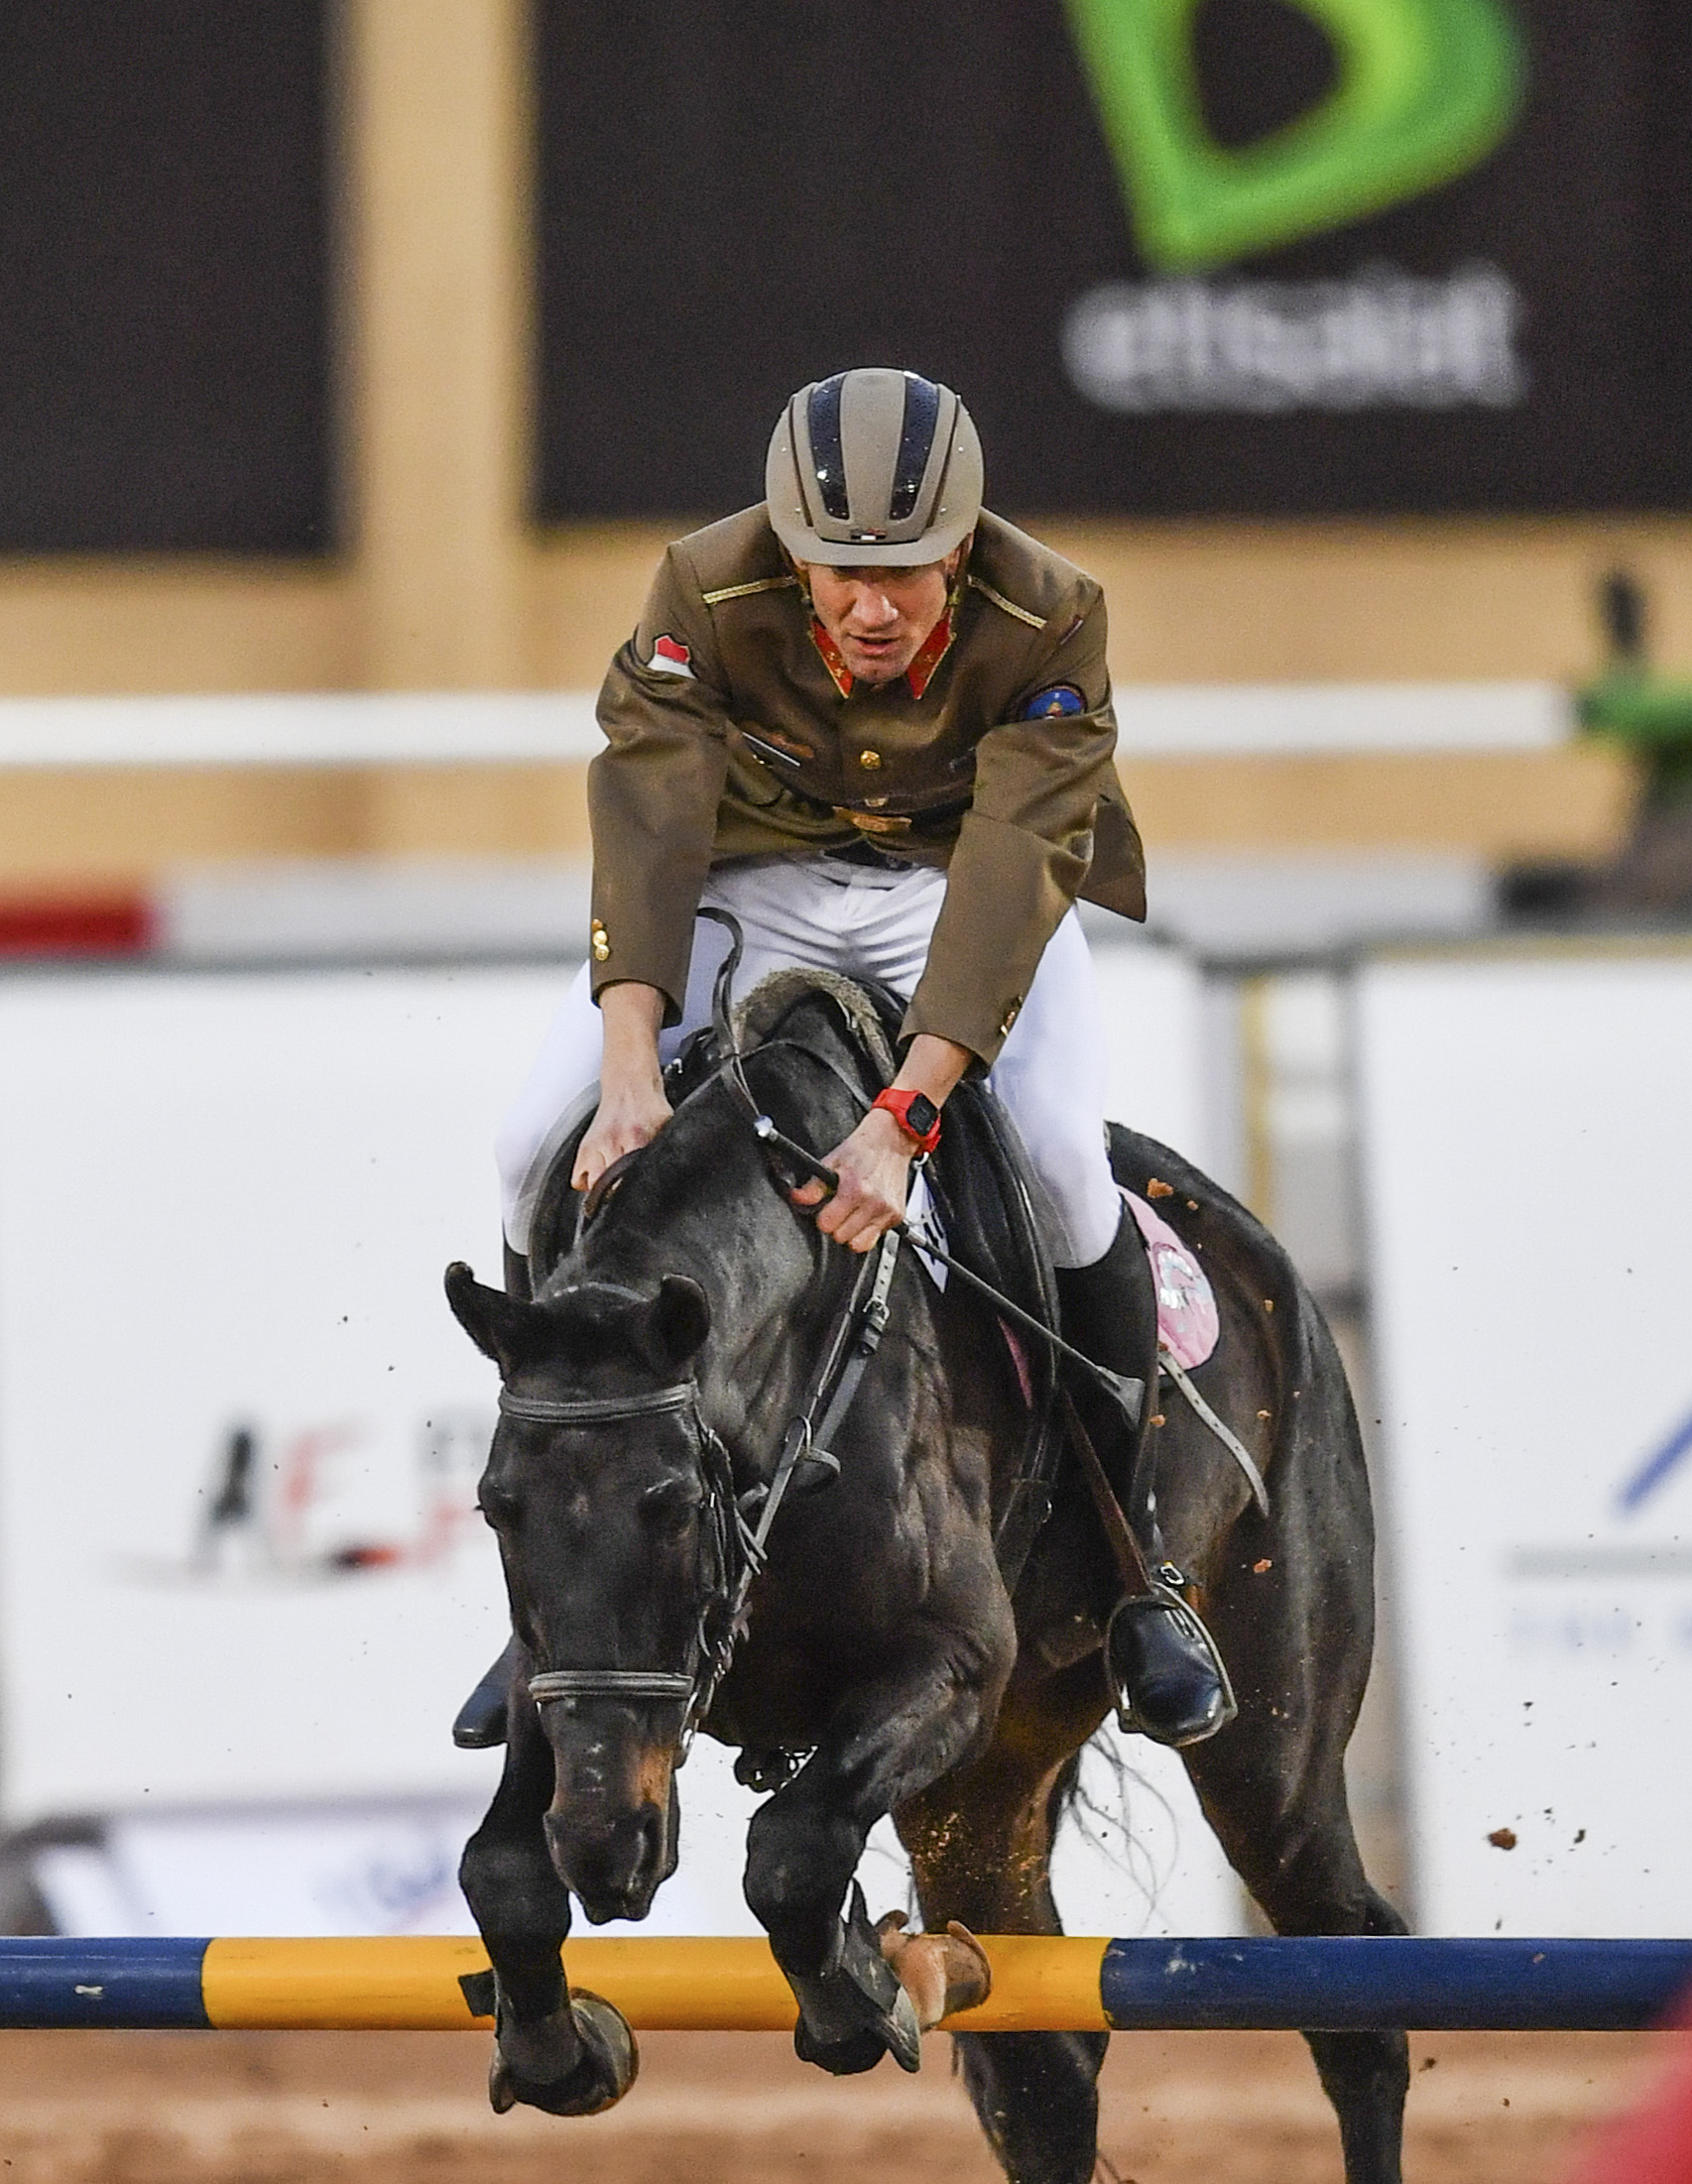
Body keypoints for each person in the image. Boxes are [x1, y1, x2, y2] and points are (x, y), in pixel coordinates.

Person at [456, 366, 1228, 1751]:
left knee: (1060, 1167)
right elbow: (648, 818)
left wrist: (904, 1117)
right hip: (753, 879)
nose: (871, 608)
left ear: (964, 546)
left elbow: (1006, 878)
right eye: (837, 572)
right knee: (527, 1146)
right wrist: (632, 1065)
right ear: (790, 550)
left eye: (908, 575)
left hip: (958, 884)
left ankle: (1140, 1572)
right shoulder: (703, 587)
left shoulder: (1052, 614)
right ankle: (545, 1613)